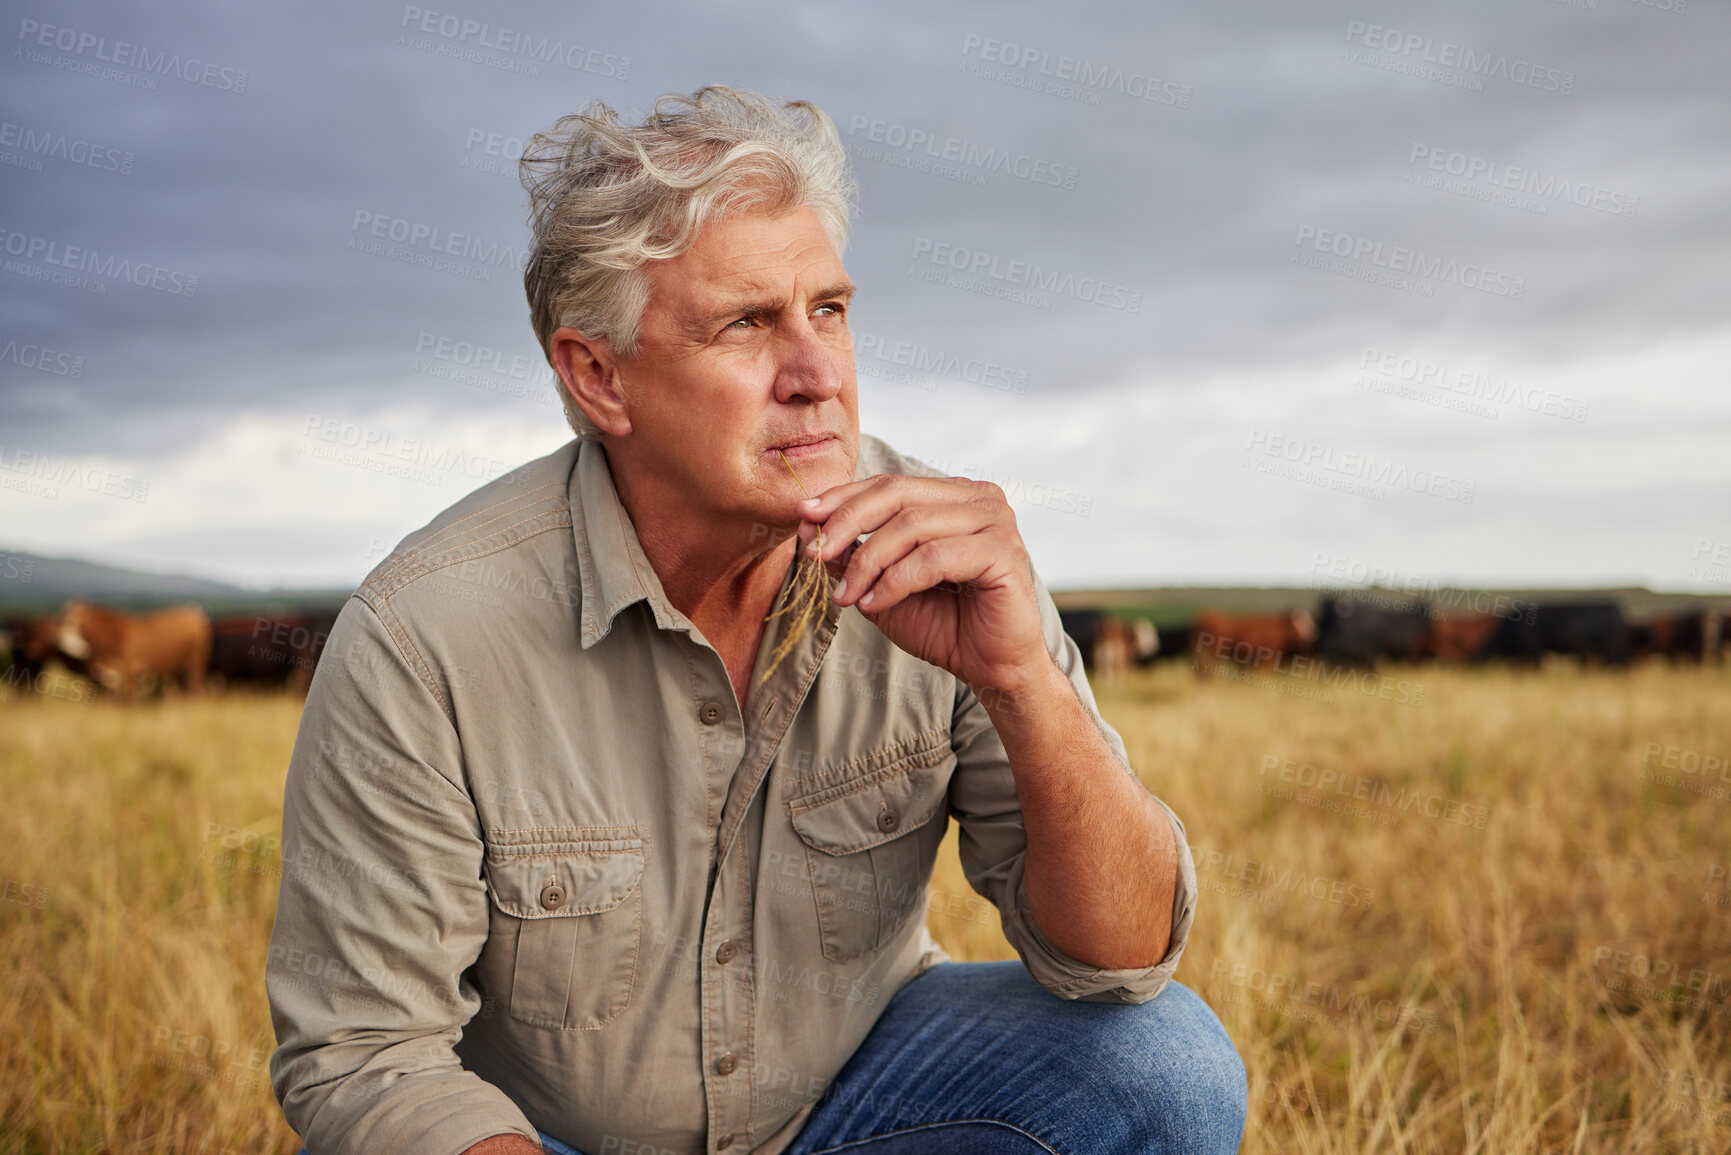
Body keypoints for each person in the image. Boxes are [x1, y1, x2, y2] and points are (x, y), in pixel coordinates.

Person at [267, 85, 1246, 1155]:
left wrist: (1025, 682)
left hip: (854, 1098)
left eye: (829, 309)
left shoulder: (948, 560)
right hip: (559, 1143)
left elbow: (1120, 957)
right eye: (746, 323)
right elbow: (367, 1055)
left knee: (1167, 1070)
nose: (820, 374)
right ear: (598, 377)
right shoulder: (424, 637)